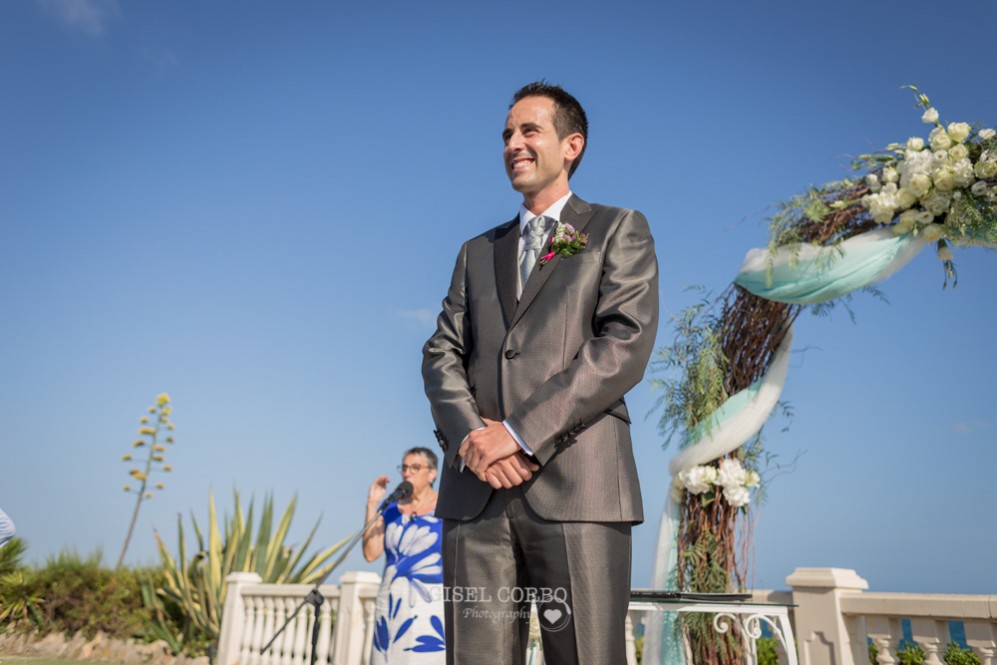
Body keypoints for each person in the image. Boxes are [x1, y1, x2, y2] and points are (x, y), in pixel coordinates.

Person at [422, 81, 659, 665]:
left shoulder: (614, 228)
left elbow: (622, 343)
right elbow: (440, 352)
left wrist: (519, 432)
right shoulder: (476, 251)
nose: (513, 143)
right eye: (507, 133)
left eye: (529, 130)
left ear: (571, 144)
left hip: (580, 491)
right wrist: (475, 438)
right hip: (476, 496)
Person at [364, 447, 445, 664]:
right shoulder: (390, 508)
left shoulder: (447, 507)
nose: (407, 473)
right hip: (391, 603)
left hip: (430, 604)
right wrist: (373, 503)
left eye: (415, 467)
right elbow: (371, 554)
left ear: (432, 473)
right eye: (405, 467)